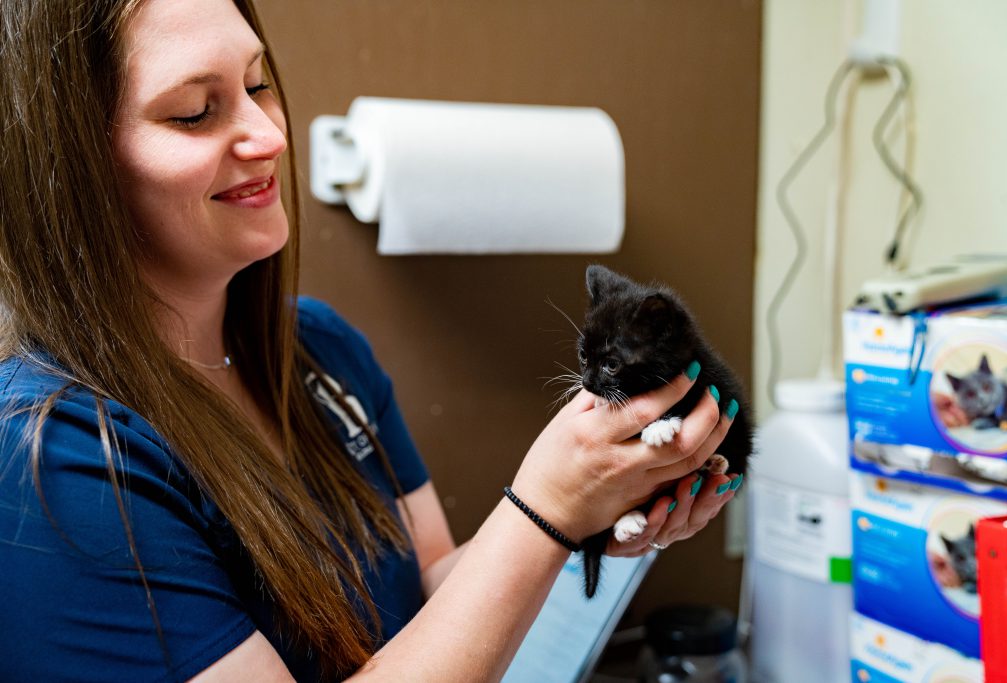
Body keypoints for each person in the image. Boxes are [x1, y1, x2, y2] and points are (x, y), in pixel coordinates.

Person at [0, 0, 741, 680]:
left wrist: (589, 520)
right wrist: (544, 511)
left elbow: (437, 587)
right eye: (196, 112)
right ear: (76, 170)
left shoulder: (321, 348)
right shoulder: (52, 460)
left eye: (258, 85)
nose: (269, 134)